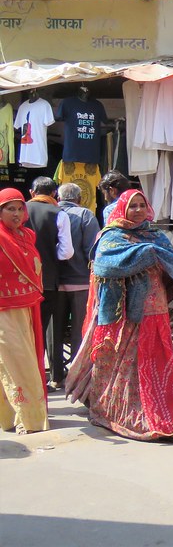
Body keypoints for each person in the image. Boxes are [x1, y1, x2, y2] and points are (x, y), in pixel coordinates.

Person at [66, 190, 173, 440]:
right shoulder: (111, 235)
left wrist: (154, 252)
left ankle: (165, 418)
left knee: (158, 363)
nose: (138, 210)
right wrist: (145, 253)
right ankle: (124, 415)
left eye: (141, 205)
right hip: (124, 313)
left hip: (156, 308)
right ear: (123, 209)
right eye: (132, 206)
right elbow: (105, 263)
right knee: (127, 366)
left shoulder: (156, 235)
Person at [0, 188, 49, 434]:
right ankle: (25, 418)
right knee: (15, 360)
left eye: (20, 208)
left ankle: (20, 417)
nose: (16, 213)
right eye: (10, 208)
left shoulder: (27, 236)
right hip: (3, 309)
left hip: (28, 306)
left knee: (25, 358)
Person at [25, 177, 73, 389]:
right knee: (42, 329)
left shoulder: (16, 209)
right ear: (55, 194)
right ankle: (39, 377)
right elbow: (66, 252)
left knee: (21, 331)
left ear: (31, 192)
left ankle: (24, 378)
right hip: (47, 280)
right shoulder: (59, 214)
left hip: (20, 283)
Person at [57, 183, 101, 360]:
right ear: (79, 199)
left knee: (55, 329)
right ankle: (77, 368)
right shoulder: (85, 215)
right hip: (80, 281)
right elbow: (93, 250)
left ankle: (56, 374)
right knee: (79, 327)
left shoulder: (52, 213)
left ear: (59, 198)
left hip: (54, 282)